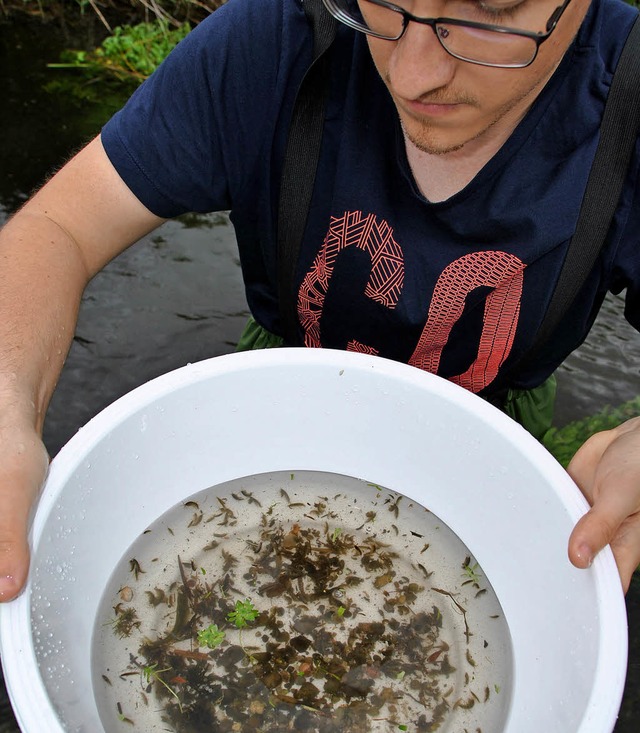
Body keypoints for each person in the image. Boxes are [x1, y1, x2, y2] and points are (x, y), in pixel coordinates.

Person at [0, 0, 639, 603]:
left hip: (495, 420)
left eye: (492, 13)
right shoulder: (274, 38)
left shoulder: (627, 98)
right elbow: (59, 229)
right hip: (281, 372)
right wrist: (7, 408)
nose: (414, 73)